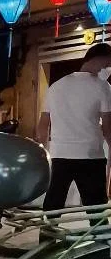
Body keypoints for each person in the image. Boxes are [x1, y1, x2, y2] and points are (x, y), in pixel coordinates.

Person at [36, 42, 111, 216]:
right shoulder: (103, 88)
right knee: (96, 207)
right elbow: (108, 128)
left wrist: (45, 150)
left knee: (54, 203)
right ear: (99, 60)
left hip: (60, 155)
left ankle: (48, 238)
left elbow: (42, 125)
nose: (108, 69)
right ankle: (100, 241)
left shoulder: (55, 87)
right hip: (90, 155)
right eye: (108, 64)